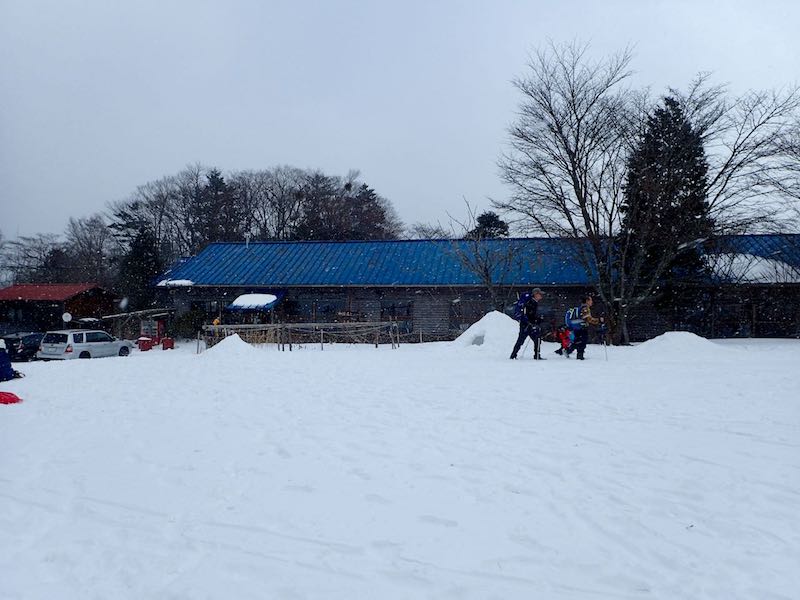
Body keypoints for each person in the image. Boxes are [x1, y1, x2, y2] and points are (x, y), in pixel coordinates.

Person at [510, 287, 546, 360]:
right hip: (527, 325)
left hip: (527, 324)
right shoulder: (530, 302)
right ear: (535, 294)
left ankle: (514, 355)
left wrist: (537, 320)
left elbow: (531, 315)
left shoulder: (533, 302)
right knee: (524, 340)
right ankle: (514, 355)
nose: (541, 296)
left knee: (535, 339)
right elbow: (529, 315)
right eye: (540, 294)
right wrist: (536, 320)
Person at [566, 294, 604, 360]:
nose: (592, 302)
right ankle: (578, 355)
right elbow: (588, 319)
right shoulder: (585, 308)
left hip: (577, 327)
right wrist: (599, 320)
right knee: (582, 342)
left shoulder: (582, 308)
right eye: (591, 300)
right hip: (581, 328)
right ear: (587, 301)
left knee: (578, 340)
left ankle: (568, 351)